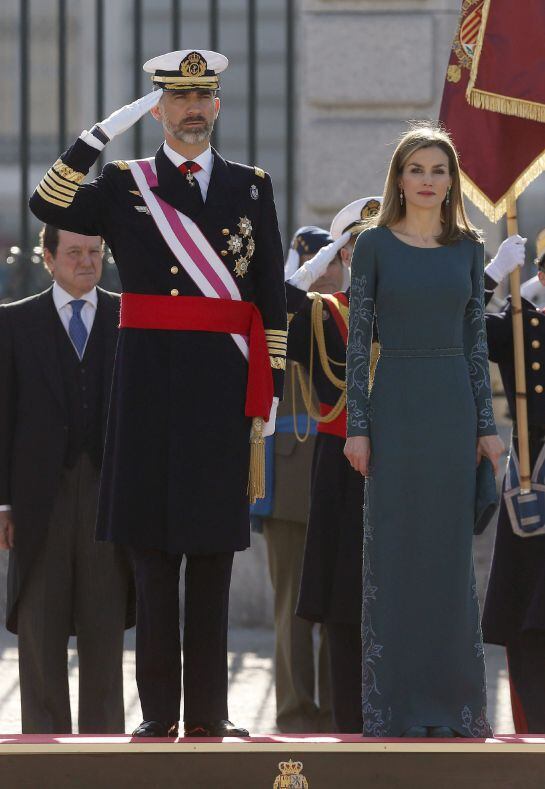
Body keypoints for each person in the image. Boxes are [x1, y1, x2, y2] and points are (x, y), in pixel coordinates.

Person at [29, 49, 287, 738]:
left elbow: (268, 289)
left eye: (203, 97)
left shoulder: (251, 187)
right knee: (151, 559)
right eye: (178, 98)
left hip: (221, 386)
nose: (192, 109)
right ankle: (158, 714)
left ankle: (207, 713)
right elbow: (46, 203)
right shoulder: (124, 183)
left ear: (218, 105)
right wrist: (98, 135)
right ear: (158, 109)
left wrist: (270, 386)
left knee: (211, 559)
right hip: (147, 389)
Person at [344, 122, 504, 739]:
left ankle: (454, 707)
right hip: (395, 407)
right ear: (399, 179)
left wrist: (487, 426)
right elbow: (359, 342)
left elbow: (475, 341)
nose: (428, 180)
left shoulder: (469, 247)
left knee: (448, 558)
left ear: (452, 181)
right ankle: (395, 707)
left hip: (452, 408)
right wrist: (358, 426)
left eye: (439, 170)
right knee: (394, 553)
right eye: (417, 169)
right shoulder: (373, 246)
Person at [0, 226, 133, 734]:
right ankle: (43, 752)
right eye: (74, 252)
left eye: (95, 252)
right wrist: (3, 504)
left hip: (108, 499)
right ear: (48, 257)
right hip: (39, 502)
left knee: (105, 633)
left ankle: (104, 753)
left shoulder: (128, 317)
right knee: (39, 632)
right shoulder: (14, 322)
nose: (86, 261)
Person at [285, 197, 381, 733]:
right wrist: (312, 267)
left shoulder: (412, 312)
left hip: (404, 470)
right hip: (342, 471)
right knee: (345, 608)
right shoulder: (323, 314)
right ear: (344, 254)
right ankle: (349, 727)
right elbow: (272, 316)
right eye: (357, 248)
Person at [260, 227, 336, 733]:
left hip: (338, 474)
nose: (326, 273)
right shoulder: (281, 311)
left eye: (333, 263)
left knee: (336, 604)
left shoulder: (346, 312)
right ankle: (294, 711)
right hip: (289, 481)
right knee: (291, 606)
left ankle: (335, 709)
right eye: (317, 263)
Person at [481, 240, 545, 734]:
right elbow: (459, 325)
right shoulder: (521, 325)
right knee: (528, 614)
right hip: (533, 482)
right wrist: (493, 275)